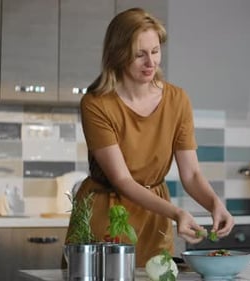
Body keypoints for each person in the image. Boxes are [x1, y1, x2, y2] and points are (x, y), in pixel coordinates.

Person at [65, 7, 234, 267]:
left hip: (155, 215)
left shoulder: (177, 100)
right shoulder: (96, 103)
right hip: (104, 212)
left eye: (155, 51)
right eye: (139, 55)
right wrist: (177, 212)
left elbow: (191, 174)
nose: (151, 63)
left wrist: (215, 204)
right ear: (118, 55)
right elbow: (122, 180)